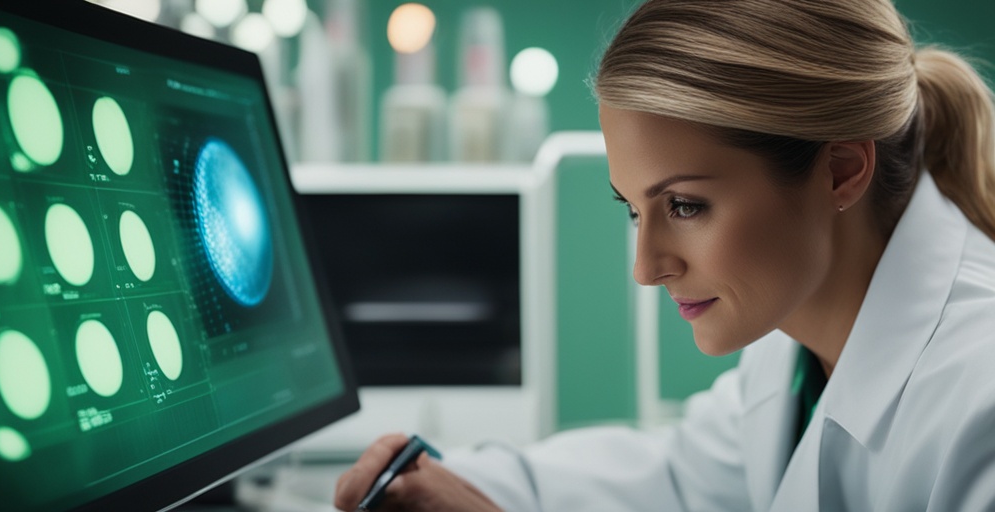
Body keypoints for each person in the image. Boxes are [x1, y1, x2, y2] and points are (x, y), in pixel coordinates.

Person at [333, 0, 995, 510]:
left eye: (685, 207)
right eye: (632, 208)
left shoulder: (979, 401)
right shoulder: (798, 344)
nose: (646, 268)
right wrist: (456, 482)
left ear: (842, 171)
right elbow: (679, 476)